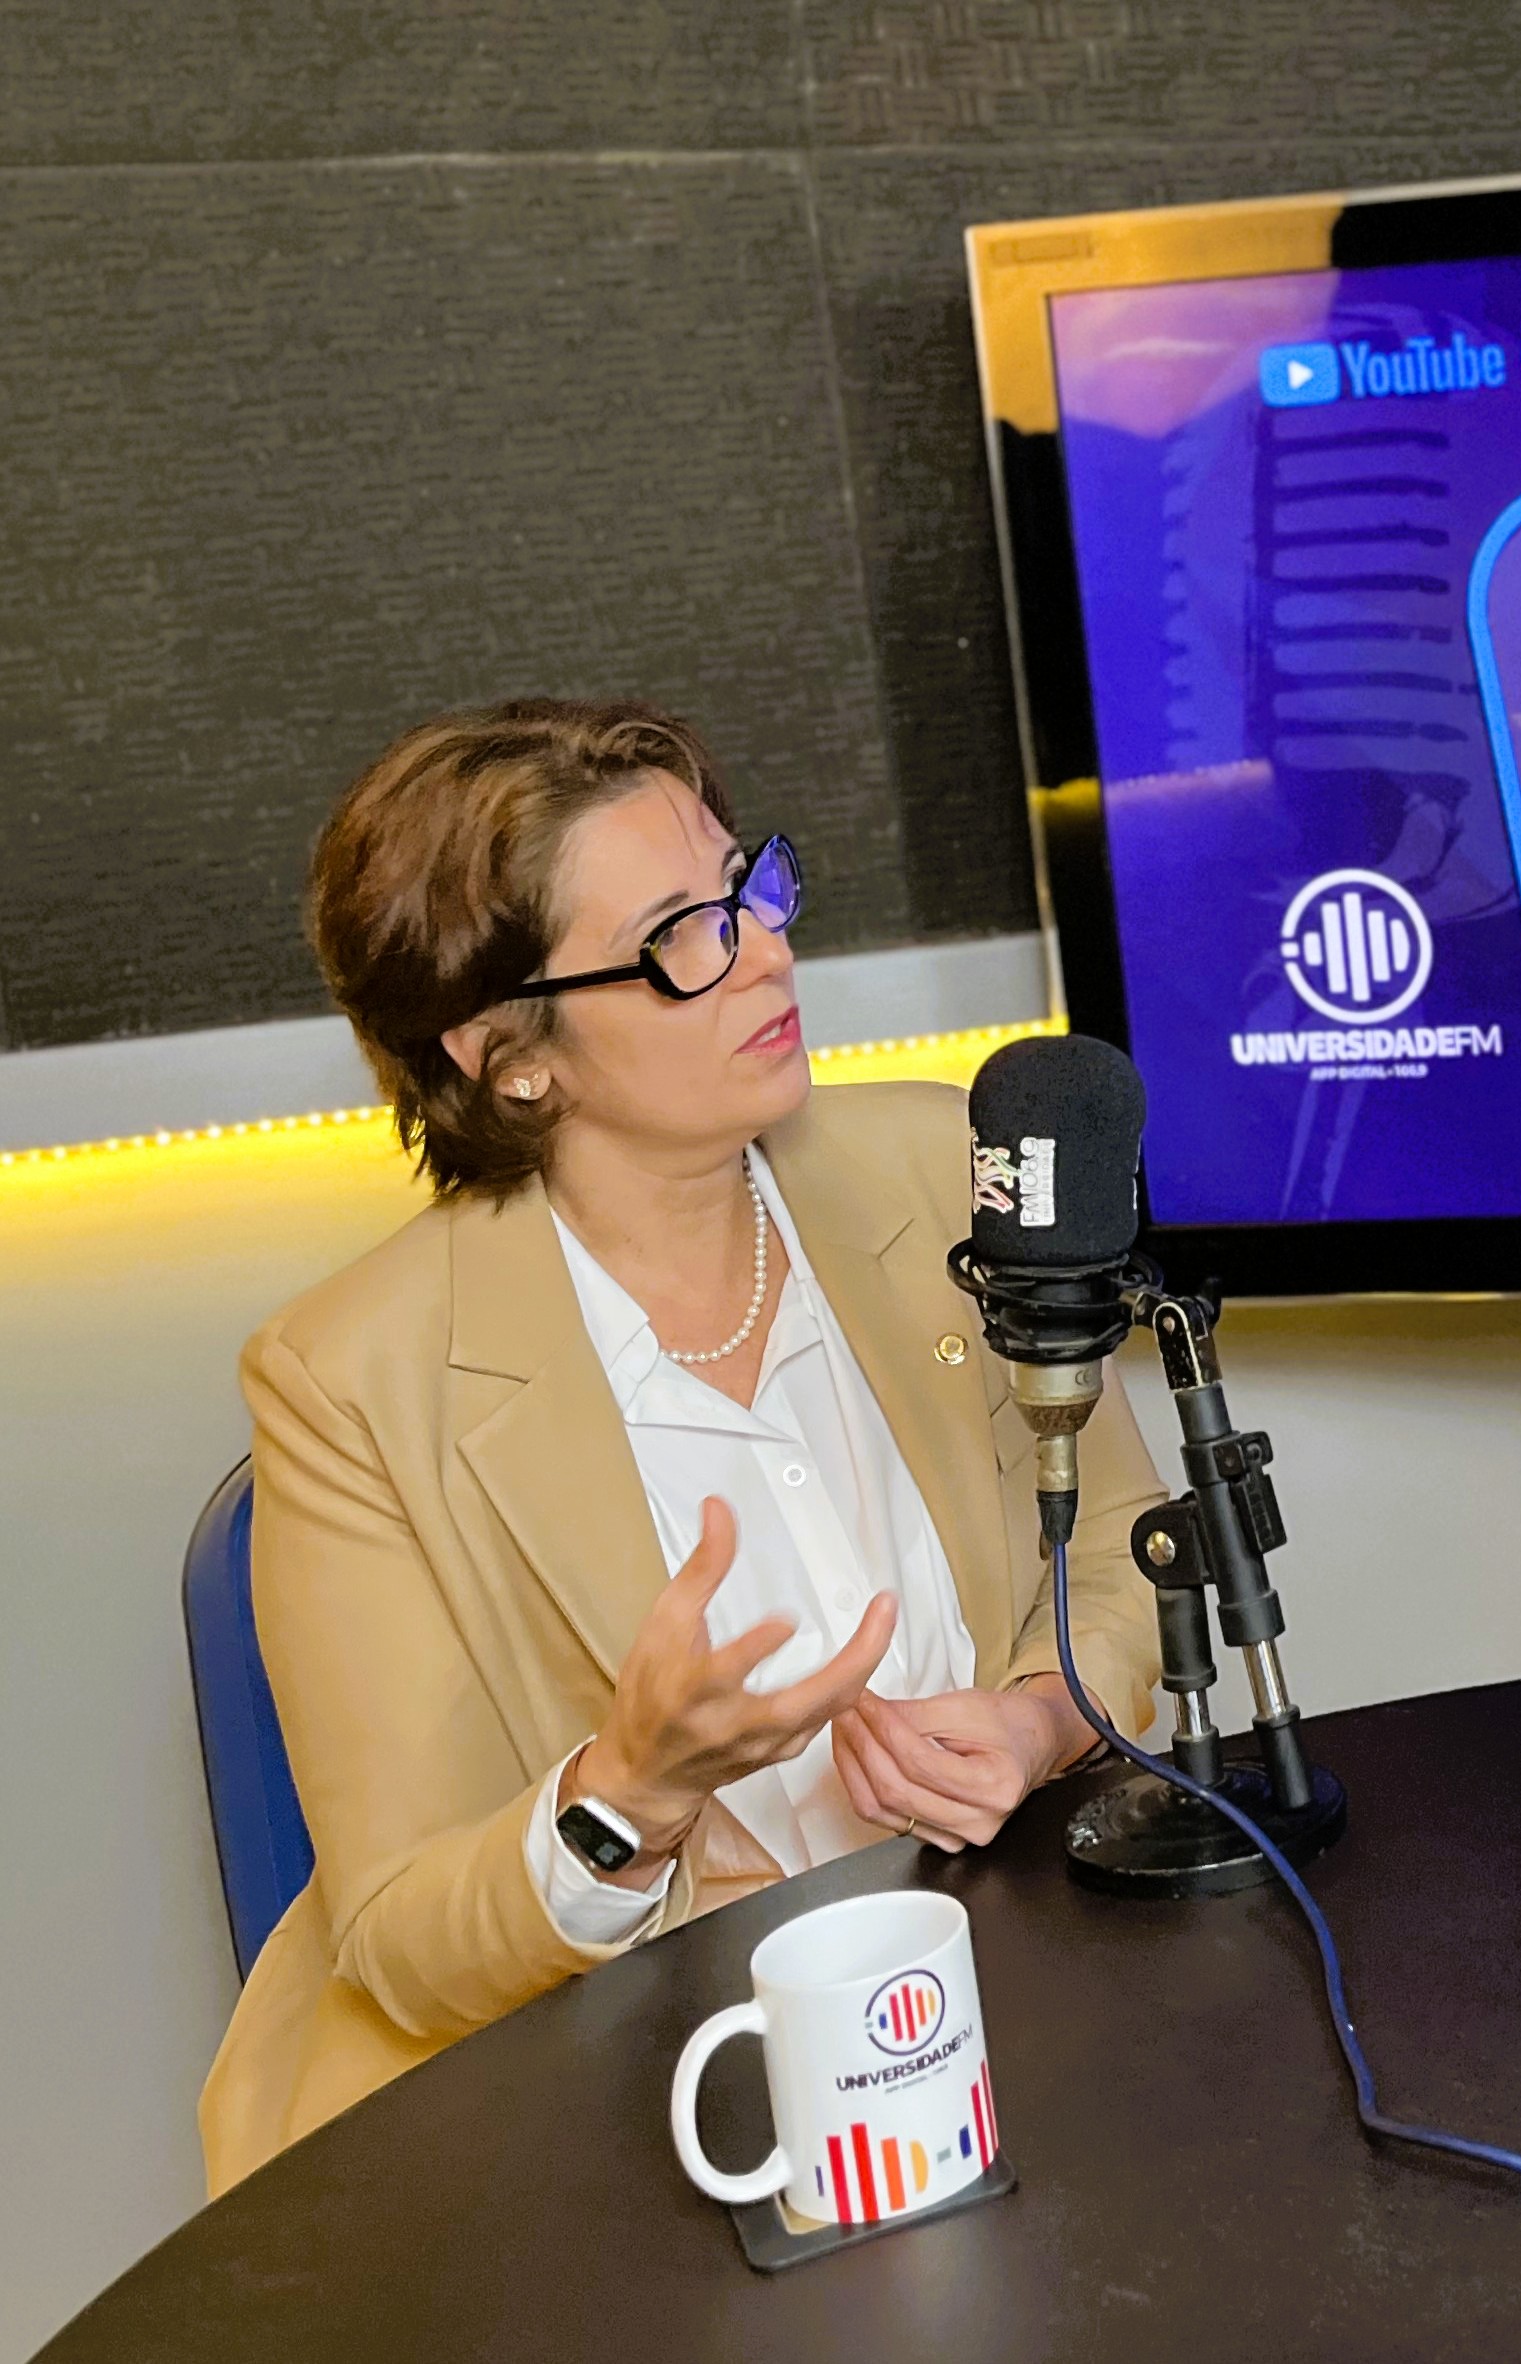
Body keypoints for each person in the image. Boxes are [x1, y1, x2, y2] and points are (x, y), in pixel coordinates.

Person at [200, 700, 1167, 2192]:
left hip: (999, 1997)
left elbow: (1119, 1555)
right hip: (611, 2111)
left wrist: (1045, 1717)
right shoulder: (348, 1380)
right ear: (509, 1056)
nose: (765, 950)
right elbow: (398, 1933)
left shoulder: (941, 1169)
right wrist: (630, 1792)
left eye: (748, 886)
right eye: (681, 938)